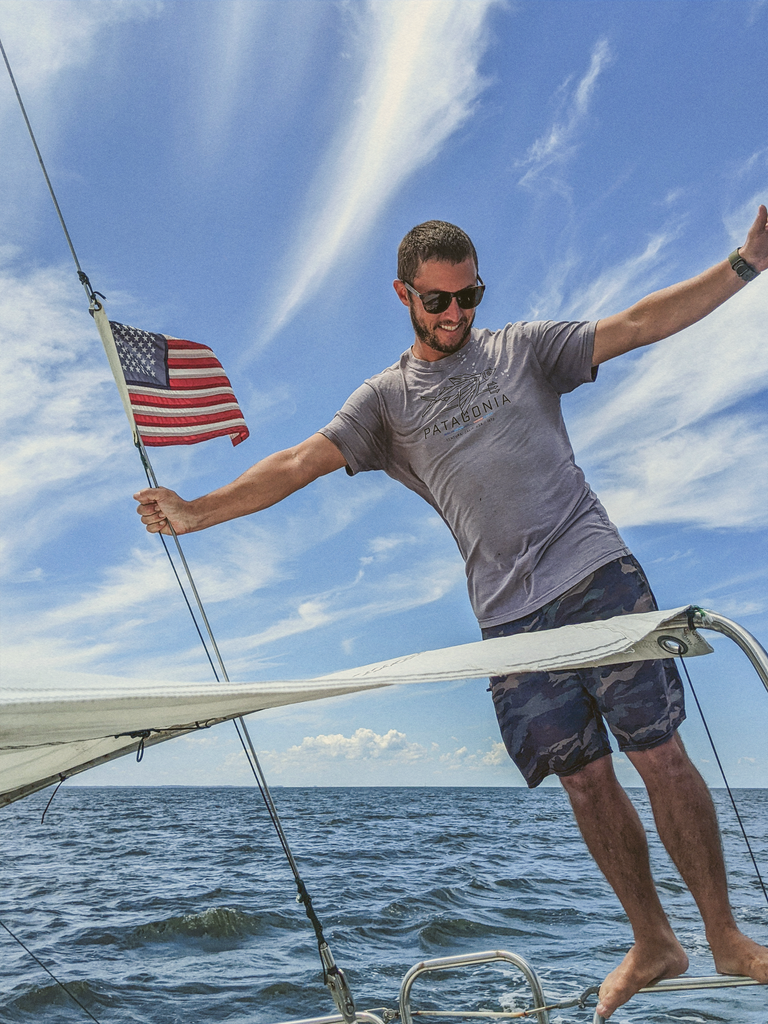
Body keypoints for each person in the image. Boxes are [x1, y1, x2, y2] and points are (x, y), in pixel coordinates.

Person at [135, 206, 768, 1018]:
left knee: (660, 757)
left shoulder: (523, 350)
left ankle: (723, 934)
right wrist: (196, 512)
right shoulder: (385, 403)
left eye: (469, 296)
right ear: (404, 295)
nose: (457, 315)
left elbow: (638, 324)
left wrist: (745, 265)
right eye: (438, 302)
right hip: (508, 620)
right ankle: (654, 941)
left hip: (595, 576)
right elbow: (300, 462)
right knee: (583, 782)